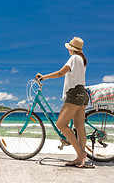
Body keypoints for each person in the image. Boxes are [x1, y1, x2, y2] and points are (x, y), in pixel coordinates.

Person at [36, 37, 89, 168]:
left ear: (72, 48)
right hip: (82, 93)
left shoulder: (74, 58)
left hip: (74, 94)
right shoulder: (81, 60)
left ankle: (81, 154)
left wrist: (44, 77)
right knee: (79, 126)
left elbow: (60, 73)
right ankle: (80, 159)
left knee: (61, 124)